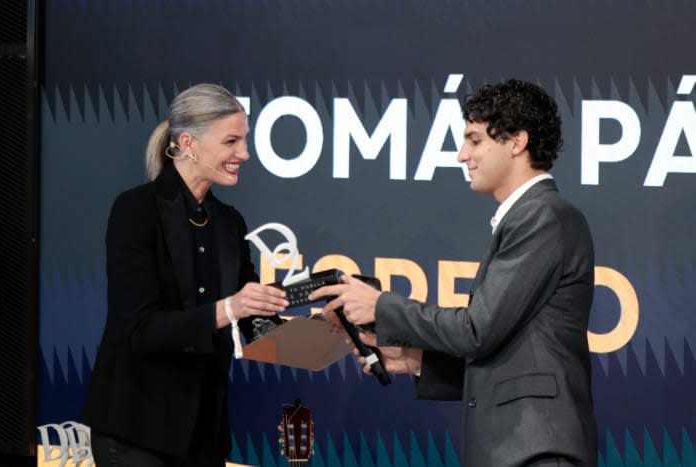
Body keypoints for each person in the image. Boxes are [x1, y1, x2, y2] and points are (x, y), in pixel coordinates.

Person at [311, 79, 598, 466]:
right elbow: (511, 359)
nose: (462, 155)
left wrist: (381, 306)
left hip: (536, 452)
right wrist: (415, 361)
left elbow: (476, 331)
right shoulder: (528, 218)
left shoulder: (541, 216)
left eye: (475, 140)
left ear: (517, 142)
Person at [81, 83, 289, 467]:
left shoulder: (228, 222)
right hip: (135, 431)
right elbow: (140, 329)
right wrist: (229, 308)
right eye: (231, 141)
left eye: (244, 141)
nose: (243, 154)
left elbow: (253, 322)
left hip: (203, 437)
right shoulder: (136, 210)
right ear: (189, 143)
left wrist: (317, 331)